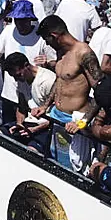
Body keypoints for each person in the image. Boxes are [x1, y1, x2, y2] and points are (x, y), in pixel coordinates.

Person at [31, 15, 103, 173]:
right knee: (58, 164)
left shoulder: (83, 53)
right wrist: (45, 105)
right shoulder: (61, 52)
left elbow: (101, 91)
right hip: (58, 119)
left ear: (54, 36)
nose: (48, 45)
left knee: (78, 169)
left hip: (77, 122)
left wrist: (82, 123)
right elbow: (60, 80)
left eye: (47, 40)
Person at [1, 53, 55, 154]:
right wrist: (19, 124)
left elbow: (58, 115)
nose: (16, 79)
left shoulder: (47, 80)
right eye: (13, 76)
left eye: (18, 75)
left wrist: (35, 129)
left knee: (31, 152)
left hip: (48, 127)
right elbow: (22, 107)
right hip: (29, 123)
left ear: (26, 66)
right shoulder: (21, 80)